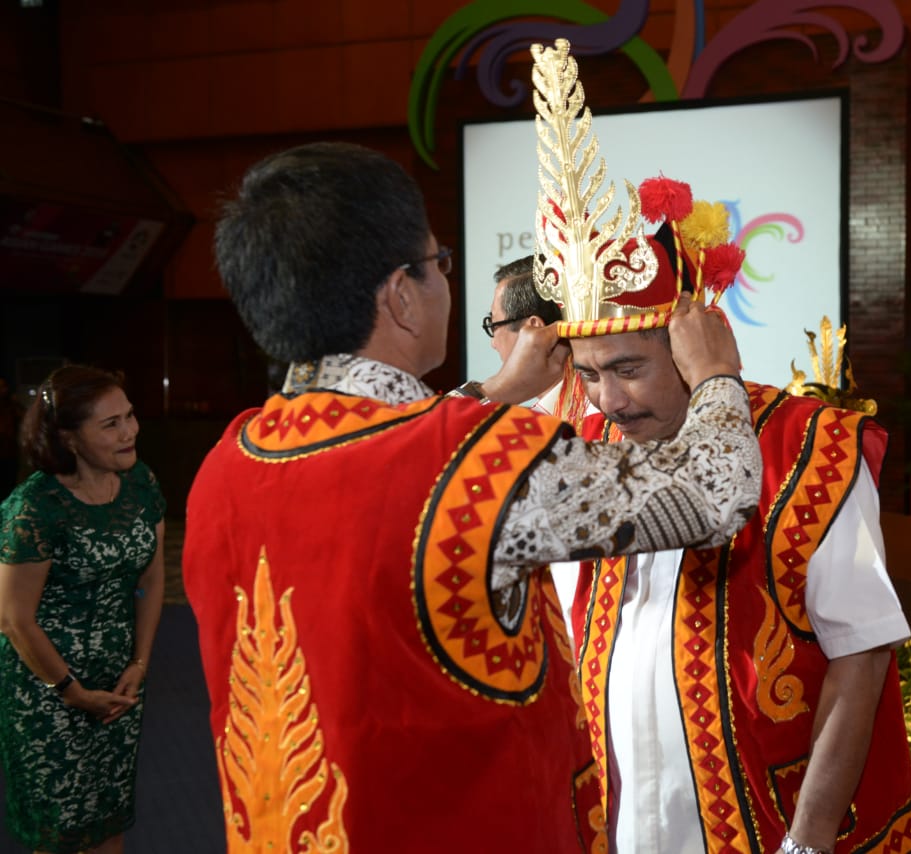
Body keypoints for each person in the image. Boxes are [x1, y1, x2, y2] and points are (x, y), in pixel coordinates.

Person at [182, 135, 763, 850]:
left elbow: (383, 448)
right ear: (400, 293)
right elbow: (715, 494)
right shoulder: (481, 457)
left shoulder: (226, 464)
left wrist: (498, 390)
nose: (443, 284)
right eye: (438, 264)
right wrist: (715, 374)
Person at [523, 41, 911, 852]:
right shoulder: (582, 446)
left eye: (629, 369)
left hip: (761, 823)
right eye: (590, 374)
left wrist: (807, 843)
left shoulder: (809, 446)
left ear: (697, 340)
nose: (607, 400)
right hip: (612, 817)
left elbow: (862, 655)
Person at [0, 365, 165, 854]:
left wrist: (139, 664)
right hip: (46, 689)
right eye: (110, 424)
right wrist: (71, 692)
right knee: (61, 830)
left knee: (107, 819)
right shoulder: (36, 509)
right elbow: (13, 618)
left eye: (129, 416)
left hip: (117, 683)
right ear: (70, 439)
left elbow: (154, 579)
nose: (130, 430)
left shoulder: (140, 483)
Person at [486, 254, 590, 424]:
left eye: (494, 325)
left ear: (535, 330)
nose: (493, 344)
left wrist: (499, 388)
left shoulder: (602, 417)